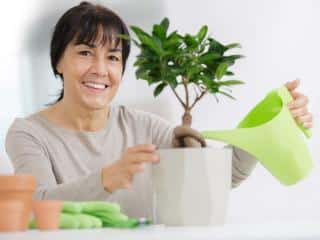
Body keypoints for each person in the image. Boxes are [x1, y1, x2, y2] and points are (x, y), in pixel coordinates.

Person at [5, 2, 313, 218]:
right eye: (85, 53)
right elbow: (35, 204)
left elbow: (219, 176)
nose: (100, 69)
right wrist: (106, 179)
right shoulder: (29, 133)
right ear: (57, 61)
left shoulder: (146, 128)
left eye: (113, 58)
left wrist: (272, 124)